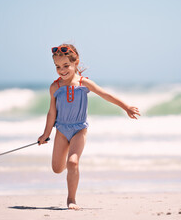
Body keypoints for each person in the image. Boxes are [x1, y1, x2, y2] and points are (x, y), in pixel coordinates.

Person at [37, 43, 140, 210]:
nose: (62, 70)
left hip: (79, 130)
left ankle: (71, 199)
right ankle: (67, 164)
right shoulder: (55, 87)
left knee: (73, 162)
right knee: (57, 169)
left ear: (76, 63)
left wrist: (126, 107)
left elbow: (106, 95)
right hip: (62, 131)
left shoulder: (84, 83)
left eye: (66, 66)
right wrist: (45, 134)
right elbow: (51, 113)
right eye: (57, 67)